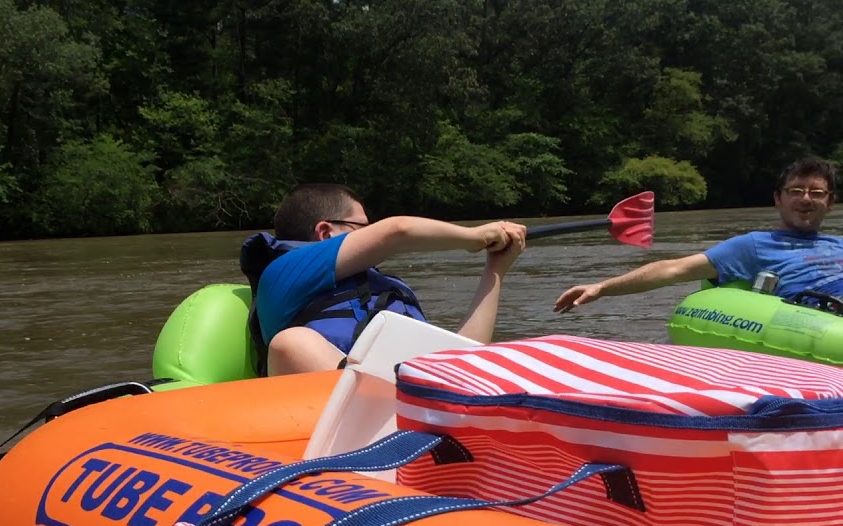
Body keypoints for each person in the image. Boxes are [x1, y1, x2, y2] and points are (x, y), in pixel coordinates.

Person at [244, 183, 527, 375]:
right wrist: (477, 237)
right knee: (292, 343)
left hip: (417, 397)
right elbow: (397, 231)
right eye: (364, 227)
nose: (371, 233)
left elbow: (465, 354)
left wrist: (495, 270)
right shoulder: (282, 274)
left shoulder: (390, 290)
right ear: (326, 232)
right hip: (346, 415)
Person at [555, 156, 842, 314]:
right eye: (795, 191)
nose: (806, 199)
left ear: (830, 203)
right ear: (778, 199)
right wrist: (602, 287)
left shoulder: (838, 244)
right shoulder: (754, 246)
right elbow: (673, 269)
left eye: (817, 193)